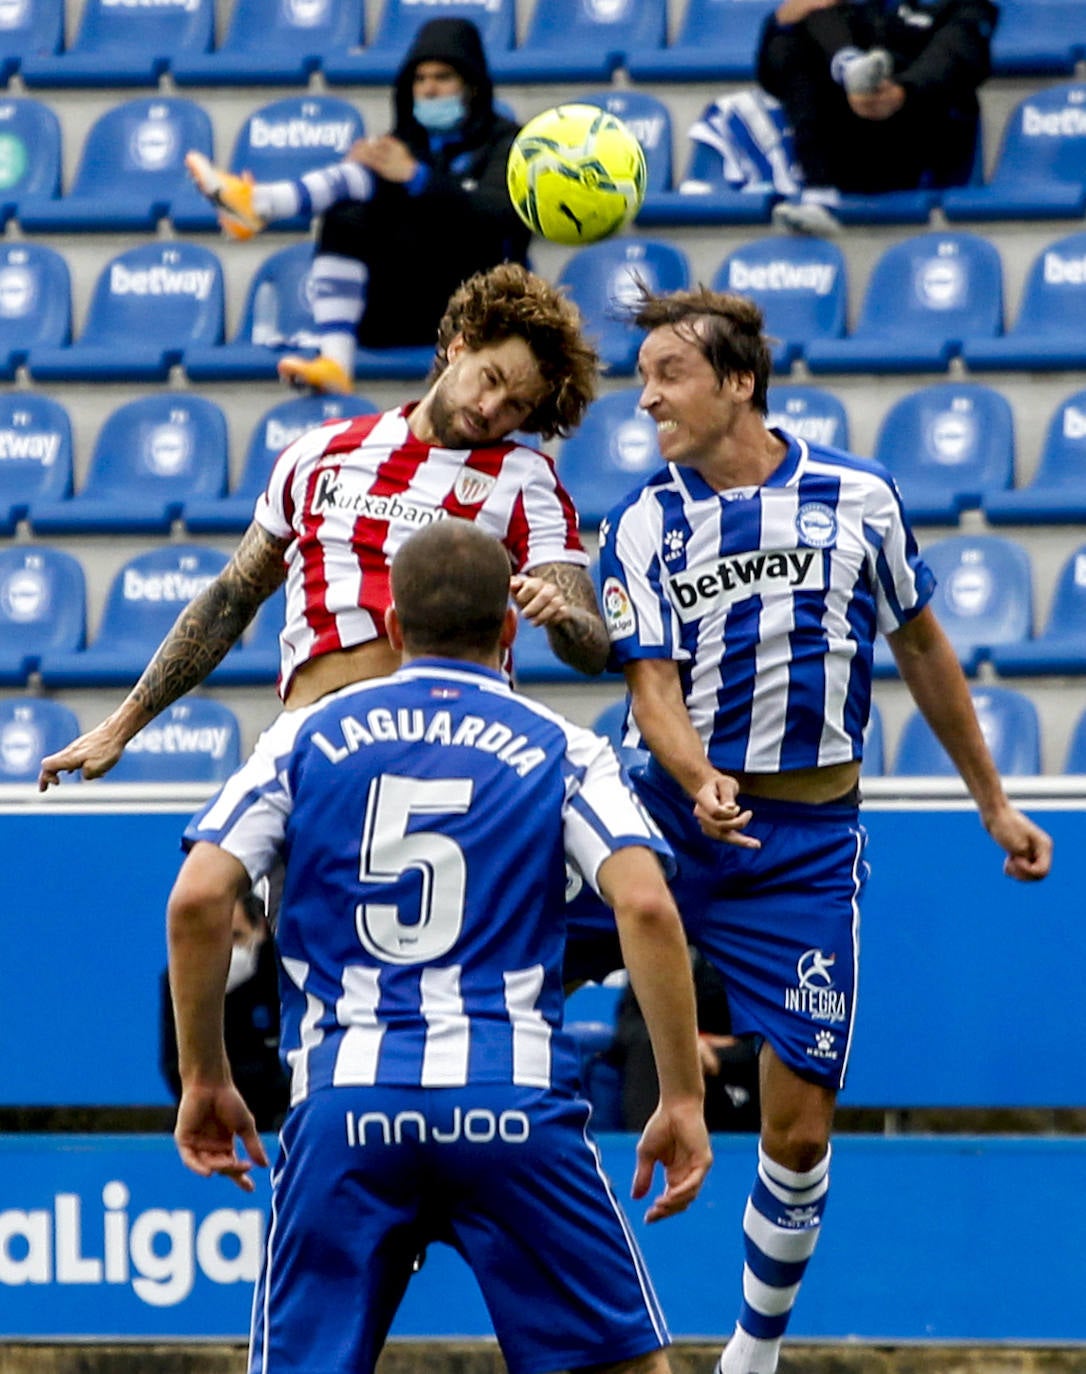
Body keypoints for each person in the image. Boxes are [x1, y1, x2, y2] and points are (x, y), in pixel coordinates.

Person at [596, 285, 1053, 1374]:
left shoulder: (860, 499)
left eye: (669, 372)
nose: (646, 393)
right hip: (664, 822)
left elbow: (927, 648)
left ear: (739, 381)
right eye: (643, 374)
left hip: (803, 852)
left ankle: (750, 1359)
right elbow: (650, 690)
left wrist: (993, 799)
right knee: (505, 970)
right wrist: (700, 773)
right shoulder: (644, 519)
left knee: (799, 1133)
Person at [166, 519, 713, 1374]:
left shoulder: (303, 736)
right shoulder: (562, 747)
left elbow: (198, 899)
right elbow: (645, 907)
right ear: (509, 629)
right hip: (510, 1100)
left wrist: (206, 1078)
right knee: (627, 1367)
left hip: (347, 1106)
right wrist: (680, 1097)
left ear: (390, 628)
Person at [39, 262, 607, 789]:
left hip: (448, 754)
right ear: (460, 346)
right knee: (208, 892)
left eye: (515, 407)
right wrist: (121, 725)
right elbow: (231, 599)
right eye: (490, 378)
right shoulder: (321, 453)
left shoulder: (525, 480)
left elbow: (591, 646)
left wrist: (564, 618)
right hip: (315, 743)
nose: (491, 407)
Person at [185, 17, 530, 394]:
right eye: (420, 78)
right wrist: (375, 169)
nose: (429, 89)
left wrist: (418, 178)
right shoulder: (403, 141)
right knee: (349, 207)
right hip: (396, 312)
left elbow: (502, 217)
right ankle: (335, 360)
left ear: (472, 85)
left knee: (376, 177)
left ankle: (264, 203)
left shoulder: (509, 143)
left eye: (443, 77)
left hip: (475, 307)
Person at [681, 0, 996, 234]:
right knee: (794, 33)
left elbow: (956, 55)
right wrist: (778, 23)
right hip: (846, 139)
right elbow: (776, 72)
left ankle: (848, 69)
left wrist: (903, 93)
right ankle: (846, 67)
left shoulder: (963, 6)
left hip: (916, 140)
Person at [159, 888, 288, 1132]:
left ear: (260, 930)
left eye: (236, 937)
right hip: (212, 1115)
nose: (225, 952)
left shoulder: (287, 977)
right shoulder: (180, 980)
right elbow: (175, 1068)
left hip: (275, 1114)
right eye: (213, 938)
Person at [611, 950, 760, 1134]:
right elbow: (626, 1029)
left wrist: (712, 1054)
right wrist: (682, 1045)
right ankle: (651, 1146)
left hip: (730, 1068)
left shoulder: (747, 955)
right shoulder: (655, 954)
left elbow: (765, 1035)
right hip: (666, 1062)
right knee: (646, 1050)